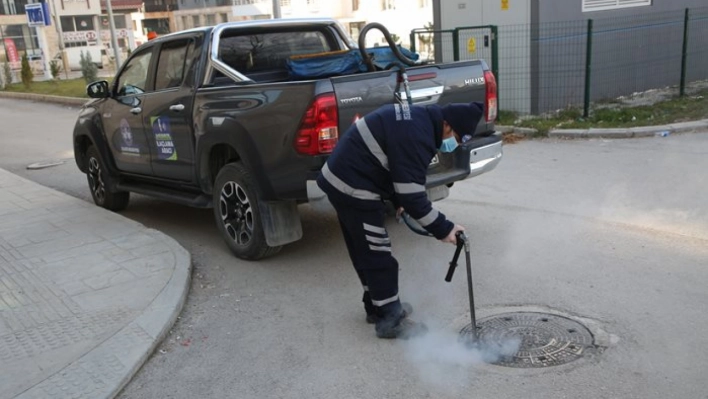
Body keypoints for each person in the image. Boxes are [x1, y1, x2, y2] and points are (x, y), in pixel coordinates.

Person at [316, 101, 484, 339]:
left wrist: (398, 201)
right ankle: (390, 318)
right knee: (377, 251)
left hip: (343, 177)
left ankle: (376, 306)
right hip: (353, 184)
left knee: (364, 248)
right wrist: (445, 229)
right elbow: (414, 196)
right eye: (455, 137)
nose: (453, 144)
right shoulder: (419, 135)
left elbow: (398, 170)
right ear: (447, 124)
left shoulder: (420, 122)